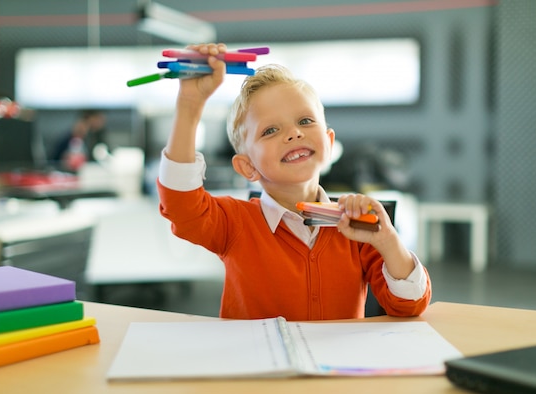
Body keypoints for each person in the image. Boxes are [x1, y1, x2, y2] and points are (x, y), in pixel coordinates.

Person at [157, 43, 431, 321]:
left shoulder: (358, 226)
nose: (294, 133)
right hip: (257, 364)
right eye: (271, 130)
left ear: (330, 142)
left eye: (305, 120)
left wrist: (388, 241)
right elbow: (181, 205)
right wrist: (189, 106)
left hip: (334, 364)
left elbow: (408, 305)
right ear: (247, 166)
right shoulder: (234, 223)